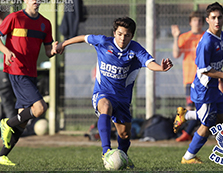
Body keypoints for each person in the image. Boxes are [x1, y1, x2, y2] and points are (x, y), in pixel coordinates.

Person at [56, 17, 173, 169]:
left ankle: (122, 157)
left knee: (124, 134)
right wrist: (62, 44)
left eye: (127, 35)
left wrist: (161, 67)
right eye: (119, 34)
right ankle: (106, 152)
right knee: (105, 106)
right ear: (114, 33)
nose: (122, 38)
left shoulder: (135, 49)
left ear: (132, 36)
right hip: (103, 92)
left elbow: (149, 63)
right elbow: (83, 38)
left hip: (122, 99)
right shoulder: (103, 42)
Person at [173, 2, 223, 164]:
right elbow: (203, 69)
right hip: (204, 90)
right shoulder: (207, 42)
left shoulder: (219, 35)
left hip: (213, 88)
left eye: (219, 17)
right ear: (208, 20)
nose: (217, 21)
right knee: (207, 124)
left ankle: (186, 114)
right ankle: (188, 157)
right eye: (213, 18)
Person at [0, 0, 58, 166]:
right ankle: (7, 123)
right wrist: (6, 51)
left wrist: (54, 49)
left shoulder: (45, 24)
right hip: (16, 71)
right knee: (40, 108)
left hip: (31, 73)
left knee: (23, 119)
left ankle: (2, 154)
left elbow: (48, 52)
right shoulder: (14, 17)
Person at [171, 11, 205, 142]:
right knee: (192, 107)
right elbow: (176, 54)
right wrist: (175, 37)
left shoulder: (205, 36)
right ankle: (188, 132)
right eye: (195, 20)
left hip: (204, 78)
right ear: (190, 22)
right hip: (190, 78)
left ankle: (188, 132)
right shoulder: (184, 36)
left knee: (204, 107)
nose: (197, 23)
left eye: (200, 21)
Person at [0, 10, 17, 121]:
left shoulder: (5, 26)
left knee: (7, 98)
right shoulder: (4, 26)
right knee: (7, 98)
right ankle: (13, 126)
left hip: (5, 68)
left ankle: (13, 126)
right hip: (3, 69)